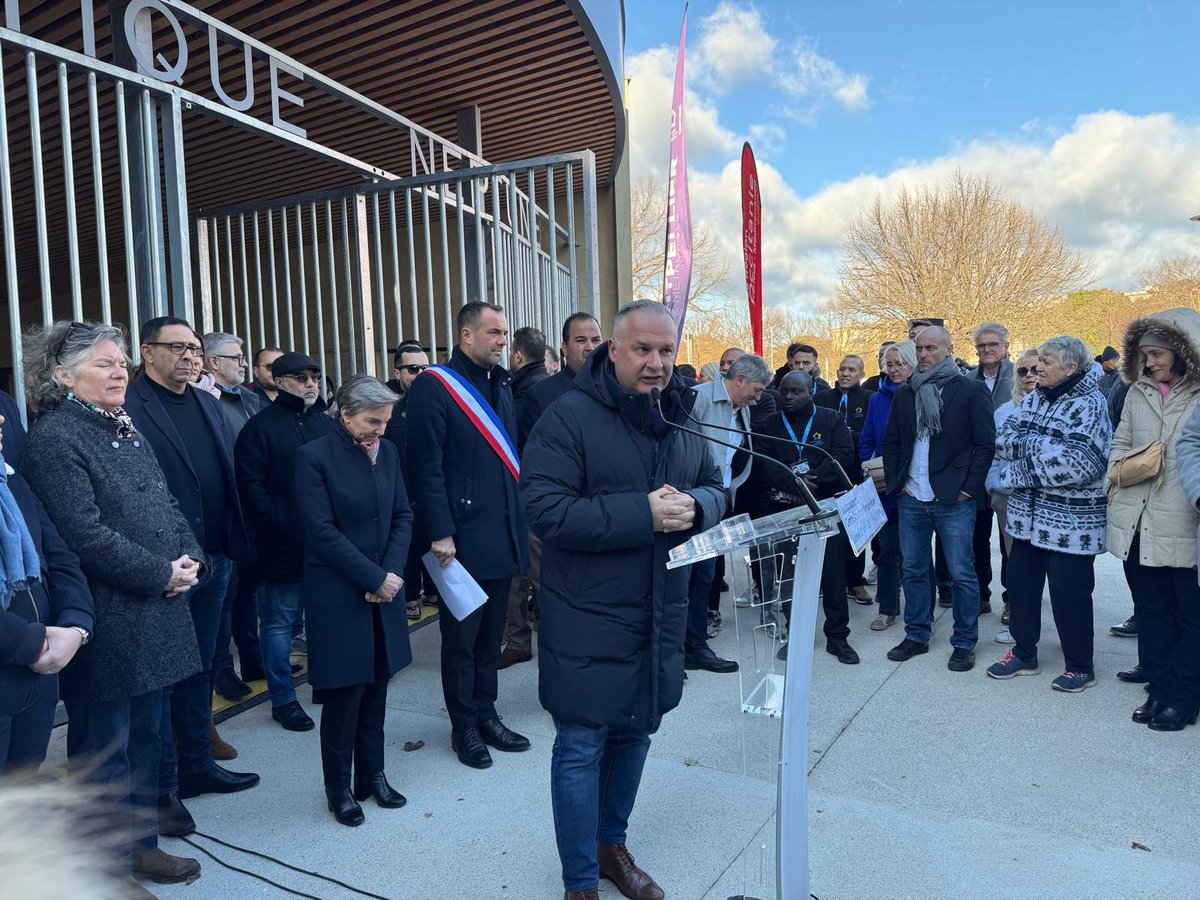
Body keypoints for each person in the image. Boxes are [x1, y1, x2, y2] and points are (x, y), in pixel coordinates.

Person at [521, 299, 725, 900]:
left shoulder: (683, 416)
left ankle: (613, 846)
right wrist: (642, 513)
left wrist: (699, 507)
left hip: (661, 608)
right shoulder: (567, 418)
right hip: (587, 615)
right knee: (582, 744)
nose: (657, 362)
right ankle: (580, 880)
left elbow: (716, 486)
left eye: (666, 350)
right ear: (613, 351)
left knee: (638, 730)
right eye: (643, 349)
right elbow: (544, 509)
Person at [19, 320, 204, 890]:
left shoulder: (122, 426)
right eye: (104, 363)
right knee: (105, 751)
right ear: (61, 375)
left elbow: (167, 503)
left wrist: (190, 558)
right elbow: (83, 534)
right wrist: (159, 573)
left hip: (157, 611)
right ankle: (103, 869)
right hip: (112, 617)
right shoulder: (56, 438)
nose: (120, 370)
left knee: (147, 738)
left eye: (121, 361)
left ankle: (141, 847)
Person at [124, 317, 260, 825]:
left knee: (201, 666)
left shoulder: (207, 402)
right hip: (165, 566)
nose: (189, 356)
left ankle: (197, 764)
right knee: (165, 678)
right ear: (147, 352)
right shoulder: (130, 408)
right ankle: (164, 785)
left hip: (217, 556)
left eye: (195, 348)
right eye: (177, 347)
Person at [407, 301, 531, 769]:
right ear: (466, 335)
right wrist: (440, 530)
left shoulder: (500, 383)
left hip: (500, 532)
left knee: (491, 637)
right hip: (458, 538)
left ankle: (486, 713)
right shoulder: (434, 387)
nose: (504, 341)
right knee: (461, 639)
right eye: (495, 332)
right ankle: (464, 727)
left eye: (505, 333)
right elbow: (425, 466)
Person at [295, 375, 414, 825]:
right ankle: (338, 788)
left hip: (383, 587)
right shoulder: (314, 458)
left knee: (378, 686)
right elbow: (321, 531)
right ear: (344, 415)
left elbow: (403, 512)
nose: (379, 430)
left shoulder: (389, 452)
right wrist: (371, 576)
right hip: (338, 591)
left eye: (384, 421)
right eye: (371, 421)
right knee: (346, 694)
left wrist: (392, 574)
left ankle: (373, 776)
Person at [984, 337, 1111, 692]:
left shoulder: (1091, 403)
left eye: (1047, 362)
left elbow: (1081, 462)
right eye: (1038, 361)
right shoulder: (1036, 397)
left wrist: (1019, 471)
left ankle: (1080, 666)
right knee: (1022, 588)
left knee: (1069, 594)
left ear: (1071, 368)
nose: (1037, 368)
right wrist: (1047, 448)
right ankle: (1024, 653)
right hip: (1026, 517)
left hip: (1070, 525)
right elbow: (1004, 438)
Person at [882, 326, 995, 671]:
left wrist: (967, 490)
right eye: (920, 349)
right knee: (915, 570)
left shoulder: (970, 390)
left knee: (961, 573)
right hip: (912, 497)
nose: (925, 354)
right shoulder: (906, 393)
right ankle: (916, 635)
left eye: (931, 348)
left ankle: (964, 642)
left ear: (948, 349)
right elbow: (892, 442)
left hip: (953, 500)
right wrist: (898, 483)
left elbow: (984, 445)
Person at [1110, 309, 1200, 731]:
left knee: (1189, 615)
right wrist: (1121, 470)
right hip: (1138, 518)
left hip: (1185, 518)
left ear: (1183, 351)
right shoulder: (1136, 392)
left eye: (1157, 353)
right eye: (1144, 355)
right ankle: (1160, 688)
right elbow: (1120, 440)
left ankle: (1184, 695)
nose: (1149, 363)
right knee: (1151, 609)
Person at [235, 351, 335, 732]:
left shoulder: (325, 425)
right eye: (301, 378)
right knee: (279, 624)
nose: (311, 384)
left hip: (326, 544)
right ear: (279, 382)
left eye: (314, 376)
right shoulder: (259, 429)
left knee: (324, 618)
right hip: (283, 545)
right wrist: (284, 525)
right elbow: (252, 488)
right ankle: (283, 698)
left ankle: (325, 682)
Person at [745, 370, 860, 664]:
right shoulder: (767, 425)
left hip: (824, 506)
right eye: (784, 392)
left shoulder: (831, 419)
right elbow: (763, 464)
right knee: (789, 577)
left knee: (833, 574)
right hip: (784, 508)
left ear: (811, 391)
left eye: (796, 392)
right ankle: (798, 635)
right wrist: (792, 482)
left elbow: (844, 457)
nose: (789, 397)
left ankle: (838, 637)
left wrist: (815, 478)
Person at [0, 415, 93, 776]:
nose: (3, 417)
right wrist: (33, 642)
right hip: (28, 655)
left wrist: (75, 625)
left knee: (20, 799)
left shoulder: (12, 482)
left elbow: (60, 557)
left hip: (37, 678)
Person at [680, 353, 772, 673]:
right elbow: (676, 447)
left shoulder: (742, 408)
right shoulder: (698, 398)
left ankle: (694, 644)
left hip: (716, 502)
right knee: (683, 576)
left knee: (704, 577)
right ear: (740, 380)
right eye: (757, 390)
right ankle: (673, 647)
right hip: (689, 501)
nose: (758, 399)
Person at [201, 332, 267, 702]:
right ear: (213, 362)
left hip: (251, 512)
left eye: (243, 357)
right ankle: (222, 671)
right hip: (224, 515)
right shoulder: (207, 403)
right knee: (224, 597)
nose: (243, 364)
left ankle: (254, 661)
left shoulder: (250, 399)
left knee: (249, 593)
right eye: (236, 357)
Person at [859, 341, 916, 632]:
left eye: (900, 364)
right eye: (889, 364)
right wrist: (866, 468)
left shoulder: (923, 395)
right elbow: (867, 438)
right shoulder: (877, 399)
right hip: (886, 486)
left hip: (917, 486)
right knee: (888, 550)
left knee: (917, 554)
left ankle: (921, 610)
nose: (893, 369)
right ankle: (888, 607)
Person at [984, 348, 1040, 641]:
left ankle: (1039, 617)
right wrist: (995, 485)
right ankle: (1017, 612)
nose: (1030, 375)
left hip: (1047, 500)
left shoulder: (1058, 407)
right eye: (1023, 371)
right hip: (1009, 497)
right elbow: (993, 454)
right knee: (1015, 560)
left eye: (1035, 369)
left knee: (1047, 565)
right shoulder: (1004, 411)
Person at [384, 341, 436, 620]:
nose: (421, 374)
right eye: (414, 369)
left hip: (429, 488)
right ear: (397, 372)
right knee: (407, 546)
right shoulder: (385, 406)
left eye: (426, 368)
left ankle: (432, 591)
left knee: (432, 540)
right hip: (398, 492)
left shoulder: (436, 400)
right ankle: (409, 596)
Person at [816, 354, 874, 604]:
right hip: (826, 474)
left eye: (852, 369)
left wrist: (848, 435)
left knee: (855, 529)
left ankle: (855, 581)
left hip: (855, 473)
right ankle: (822, 580)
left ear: (861, 373)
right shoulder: (821, 399)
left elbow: (871, 434)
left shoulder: (870, 399)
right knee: (825, 529)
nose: (845, 374)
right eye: (841, 369)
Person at [968, 323, 1014, 617]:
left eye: (992, 344)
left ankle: (1013, 599)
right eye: (982, 346)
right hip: (974, 469)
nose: (987, 350)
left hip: (1005, 470)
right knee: (975, 538)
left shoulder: (1019, 376)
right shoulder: (967, 379)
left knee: (1009, 540)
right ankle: (980, 595)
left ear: (1006, 346)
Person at [518, 312, 604, 451]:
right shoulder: (541, 395)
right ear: (565, 348)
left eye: (596, 340)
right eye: (581, 340)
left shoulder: (618, 388)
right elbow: (532, 456)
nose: (590, 347)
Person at [510, 326, 550, 423]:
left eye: (511, 351)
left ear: (518, 357)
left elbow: (513, 426)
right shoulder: (549, 382)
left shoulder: (526, 389)